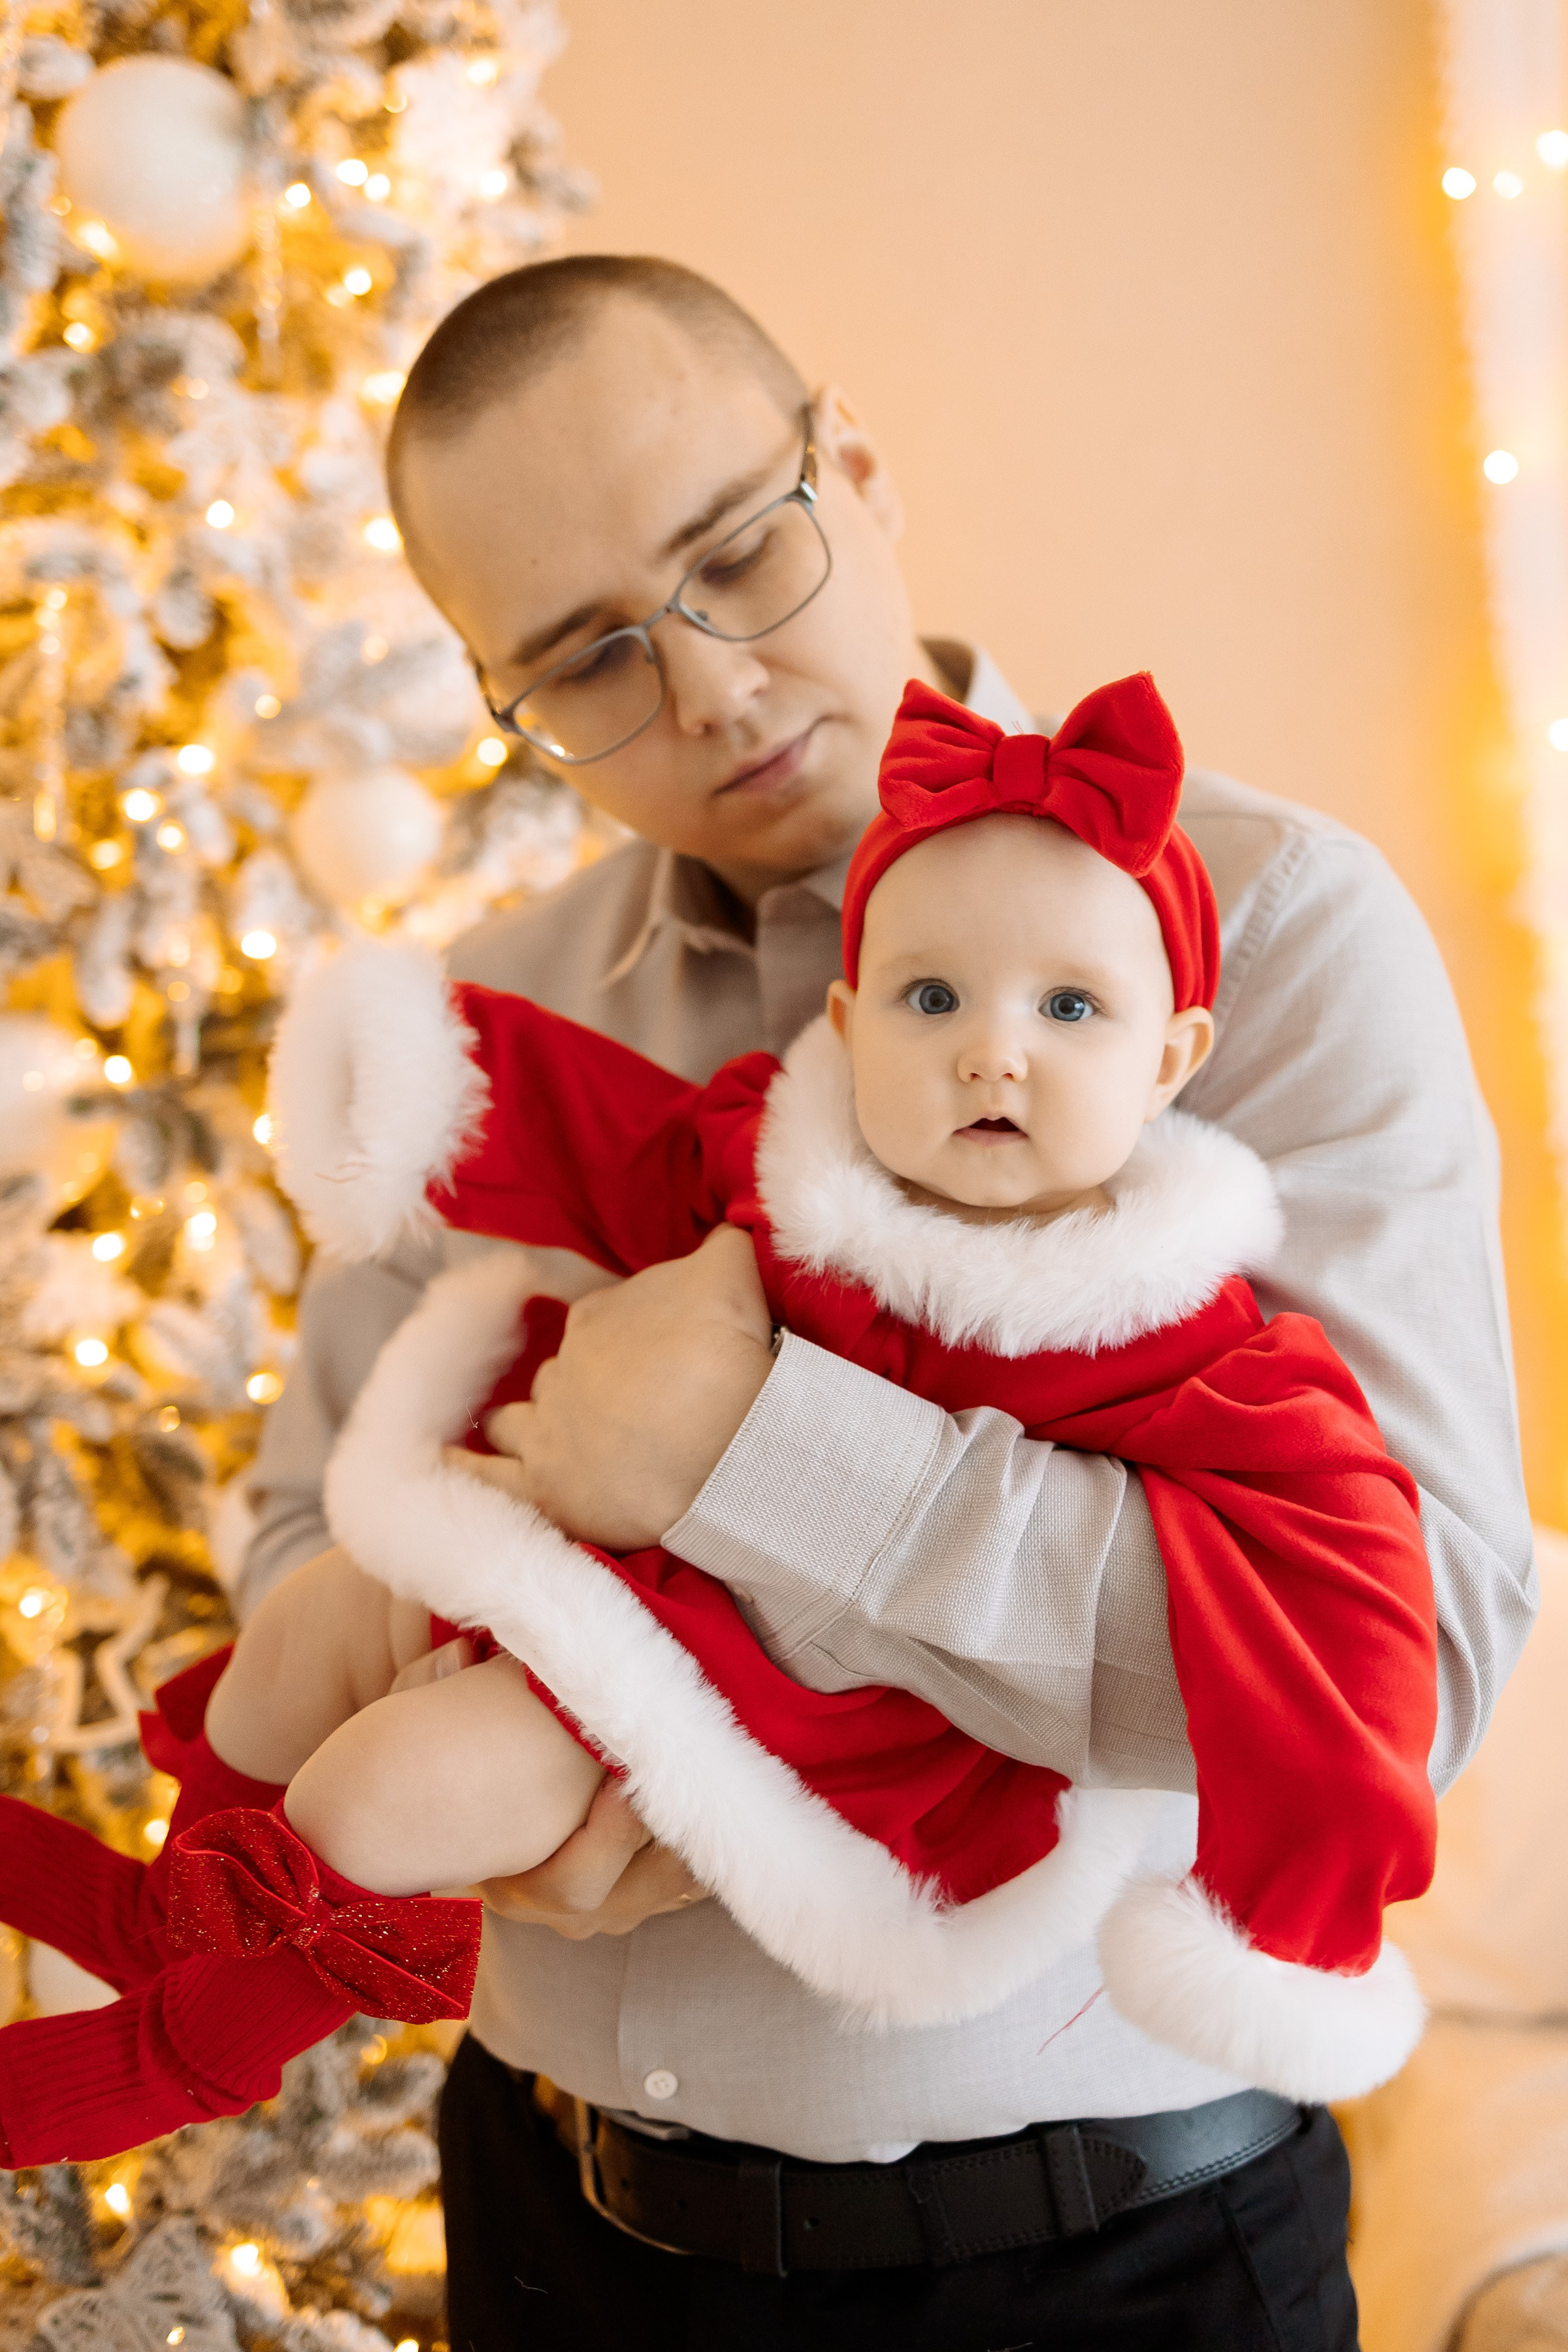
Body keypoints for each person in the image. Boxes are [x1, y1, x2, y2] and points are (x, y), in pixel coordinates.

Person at [234, 255, 1531, 2349]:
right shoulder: (483, 1029)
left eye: (738, 554)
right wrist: (565, 1718)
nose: (713, 691)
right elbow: (303, 1533)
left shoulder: (1271, 930)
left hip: (1117, 2261)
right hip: (559, 2225)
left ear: (856, 463)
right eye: (585, 666)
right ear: (501, 697)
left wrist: (752, 1459)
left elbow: (1415, 1660)